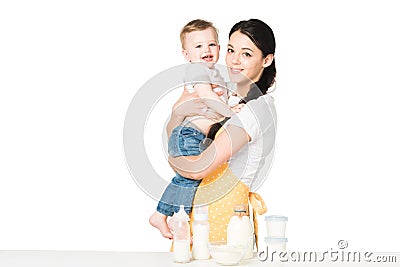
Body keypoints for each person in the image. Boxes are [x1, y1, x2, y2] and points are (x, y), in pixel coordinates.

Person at [167, 18, 277, 243]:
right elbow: (178, 134)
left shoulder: (257, 108)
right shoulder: (226, 95)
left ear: (266, 60)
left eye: (246, 54)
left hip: (227, 216)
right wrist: (178, 113)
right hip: (199, 211)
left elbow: (198, 168)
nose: (235, 60)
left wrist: (172, 159)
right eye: (230, 50)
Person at [149, 19, 241, 239]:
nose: (206, 50)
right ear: (186, 54)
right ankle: (177, 219)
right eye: (198, 46)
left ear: (219, 48)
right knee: (191, 178)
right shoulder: (197, 71)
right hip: (187, 134)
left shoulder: (215, 74)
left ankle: (161, 215)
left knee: (187, 178)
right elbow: (208, 97)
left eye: (211, 44)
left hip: (196, 136)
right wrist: (232, 111)